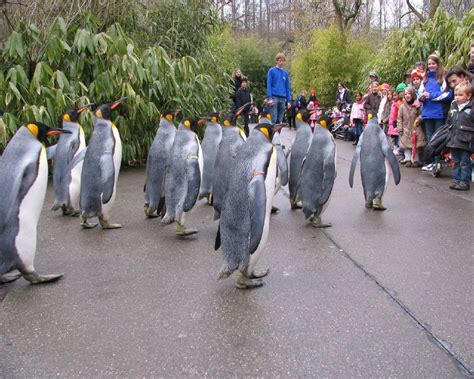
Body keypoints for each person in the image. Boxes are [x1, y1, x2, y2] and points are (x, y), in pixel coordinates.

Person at [419, 53, 453, 173]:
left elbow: (448, 94)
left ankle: (438, 162)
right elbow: (419, 94)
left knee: (438, 139)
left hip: (438, 112)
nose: (431, 66)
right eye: (429, 64)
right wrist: (421, 98)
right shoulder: (425, 79)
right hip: (427, 112)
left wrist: (431, 95)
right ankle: (430, 162)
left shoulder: (443, 77)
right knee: (430, 138)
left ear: (438, 64)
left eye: (433, 63)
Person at [446, 81, 473, 190]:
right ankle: (456, 179)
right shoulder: (453, 106)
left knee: (465, 162)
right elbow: (449, 121)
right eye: (456, 95)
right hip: (454, 139)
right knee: (456, 161)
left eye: (460, 95)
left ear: (468, 95)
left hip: (466, 139)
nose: (457, 97)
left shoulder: (471, 108)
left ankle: (464, 181)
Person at [397, 87, 426, 168]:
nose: (407, 96)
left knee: (415, 145)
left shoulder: (417, 105)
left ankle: (415, 160)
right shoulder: (402, 107)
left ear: (413, 95)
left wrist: (418, 119)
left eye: (409, 94)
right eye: (405, 94)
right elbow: (399, 118)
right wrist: (400, 128)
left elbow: (421, 114)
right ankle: (408, 159)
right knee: (406, 146)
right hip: (405, 128)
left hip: (415, 128)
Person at [266, 52, 291, 124]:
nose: (281, 62)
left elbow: (287, 87)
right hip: (274, 97)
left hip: (283, 98)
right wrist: (269, 98)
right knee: (273, 117)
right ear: (277, 61)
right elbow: (269, 84)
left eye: (283, 61)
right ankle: (273, 133)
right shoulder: (272, 71)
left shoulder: (285, 73)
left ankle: (276, 131)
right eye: (280, 60)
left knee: (280, 119)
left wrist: (289, 101)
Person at [387, 90, 401, 155]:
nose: (394, 97)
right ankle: (395, 147)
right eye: (393, 96)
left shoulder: (398, 103)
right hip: (392, 122)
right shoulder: (393, 103)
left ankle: (398, 147)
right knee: (394, 136)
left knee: (397, 135)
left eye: (395, 95)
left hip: (396, 121)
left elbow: (400, 111)